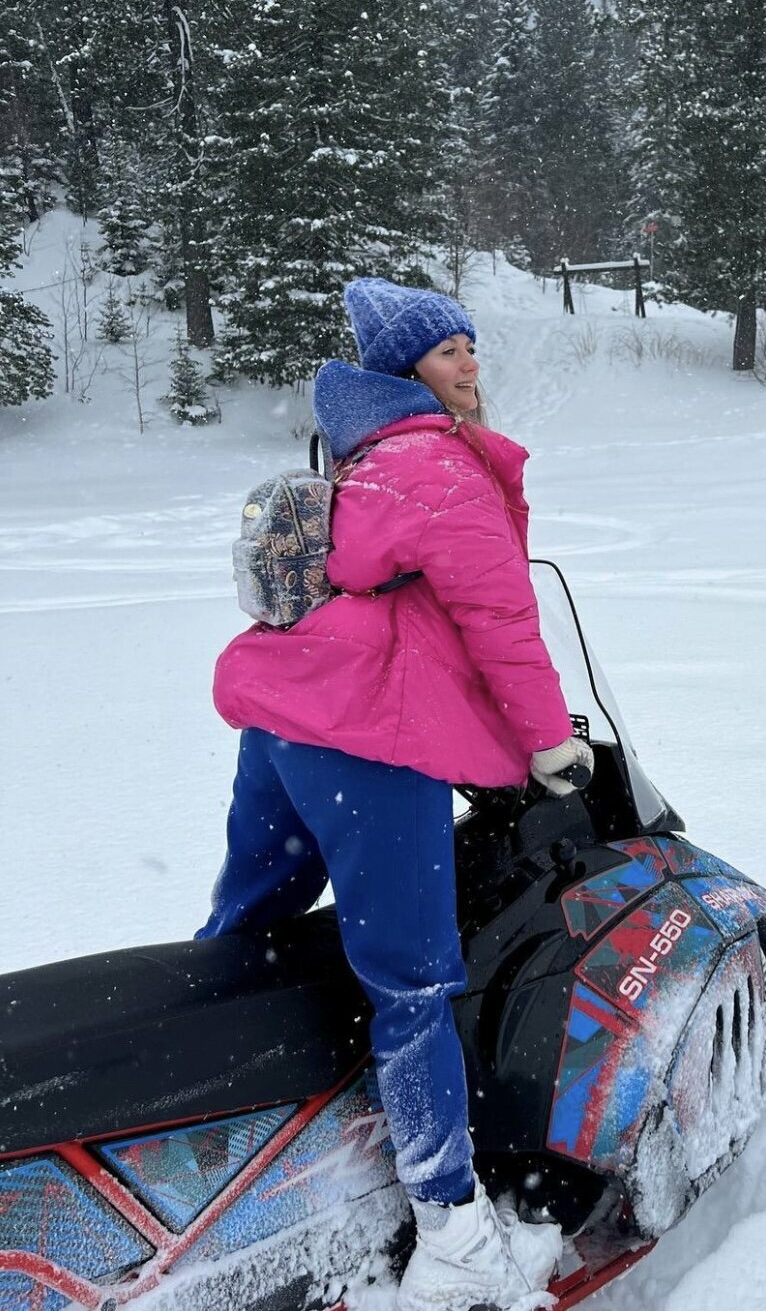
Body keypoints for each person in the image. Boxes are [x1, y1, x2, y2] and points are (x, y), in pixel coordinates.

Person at [201, 278, 592, 1311]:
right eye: (449, 349)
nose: (470, 363)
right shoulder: (436, 465)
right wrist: (551, 745)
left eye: (472, 345)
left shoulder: (364, 455)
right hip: (369, 739)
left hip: (282, 721)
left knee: (252, 922)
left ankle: (205, 1141)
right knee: (411, 980)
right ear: (403, 372)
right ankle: (452, 1229)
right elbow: (502, 620)